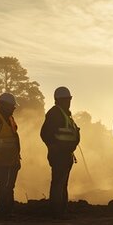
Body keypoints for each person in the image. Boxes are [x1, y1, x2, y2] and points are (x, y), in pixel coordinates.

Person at [40, 86, 80, 215]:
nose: (68, 102)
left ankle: (62, 210)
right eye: (66, 99)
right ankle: (57, 211)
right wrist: (53, 146)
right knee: (58, 183)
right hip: (59, 155)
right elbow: (44, 133)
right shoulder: (54, 114)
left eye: (69, 99)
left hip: (66, 154)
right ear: (58, 100)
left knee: (62, 183)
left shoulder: (65, 114)